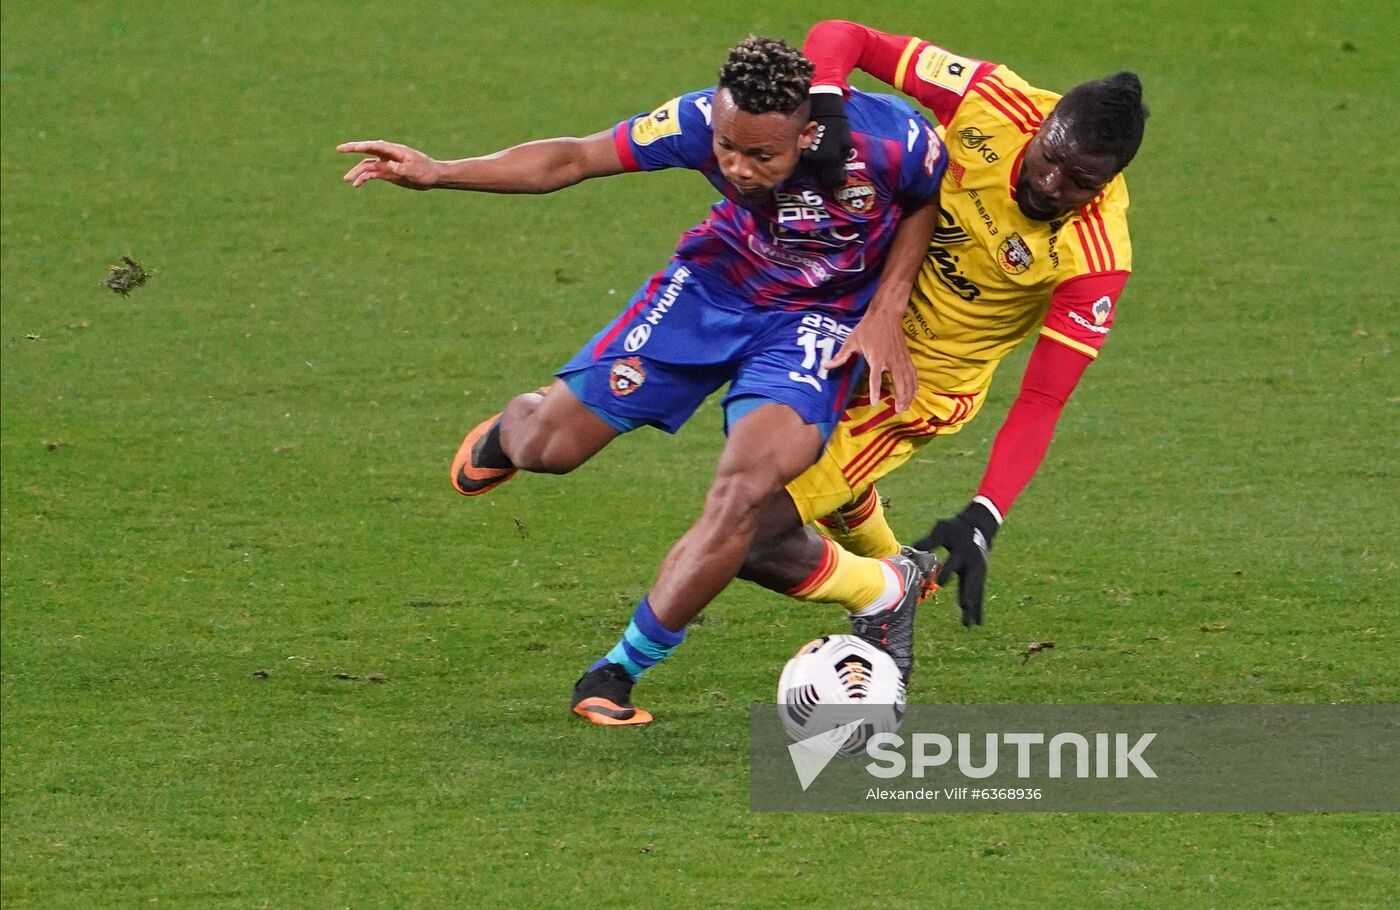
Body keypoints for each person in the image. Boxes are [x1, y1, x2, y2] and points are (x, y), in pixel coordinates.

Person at [339, 36, 948, 726]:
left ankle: (619, 670)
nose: (737, 168)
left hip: (817, 323)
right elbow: (574, 157)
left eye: (761, 156)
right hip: (713, 289)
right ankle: (514, 429)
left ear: (809, 131)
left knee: (744, 490)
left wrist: (889, 304)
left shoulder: (895, 140)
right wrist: (440, 171)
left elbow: (924, 201)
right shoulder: (695, 120)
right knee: (551, 449)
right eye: (726, 148)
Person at [732, 20, 1149, 639]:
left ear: (1109, 180)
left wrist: (984, 516)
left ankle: (885, 594)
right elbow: (842, 36)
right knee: (775, 467)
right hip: (847, 316)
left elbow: (1041, 401)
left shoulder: (1095, 258)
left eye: (1080, 183)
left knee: (742, 532)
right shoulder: (991, 99)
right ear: (1042, 124)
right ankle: (898, 568)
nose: (1050, 183)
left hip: (915, 387)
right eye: (1050, 158)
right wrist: (829, 109)